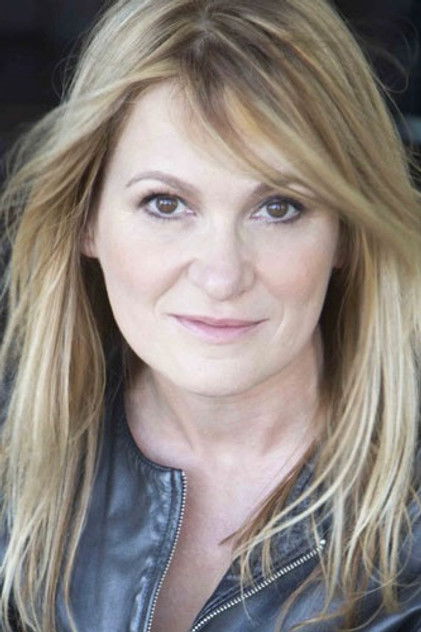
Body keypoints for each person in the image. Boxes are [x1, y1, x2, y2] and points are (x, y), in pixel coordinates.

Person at [0, 0, 420, 630]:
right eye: (166, 204)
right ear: (86, 219)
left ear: (346, 233)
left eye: (279, 207)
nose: (222, 276)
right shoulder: (12, 459)